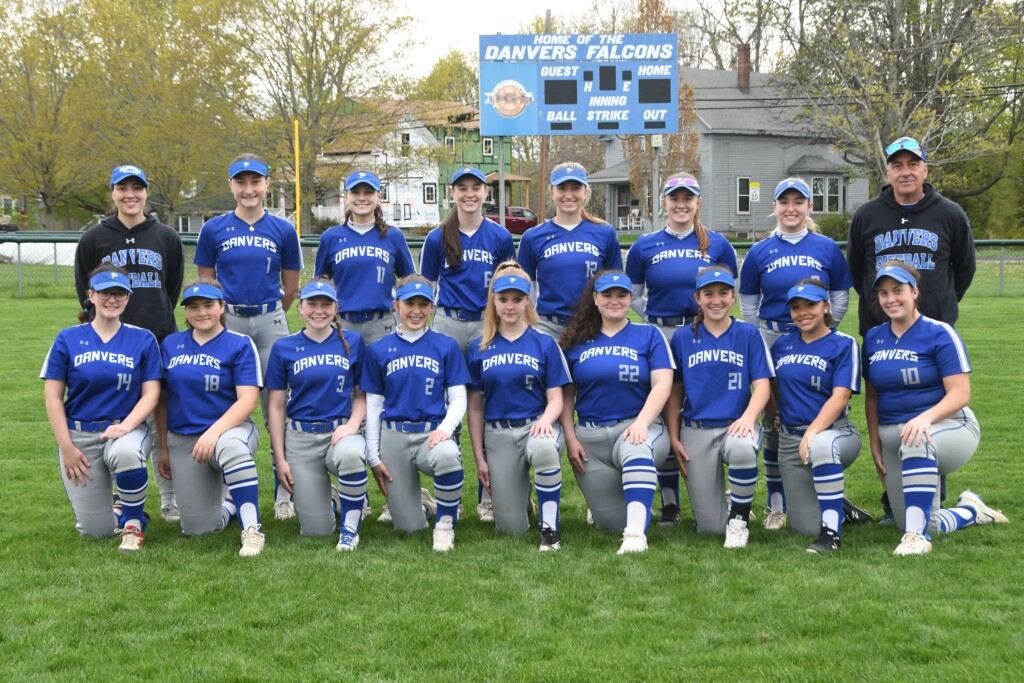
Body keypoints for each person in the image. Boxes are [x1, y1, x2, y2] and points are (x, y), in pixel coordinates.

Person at [848, 136, 977, 524]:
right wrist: (884, 305)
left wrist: (936, 307)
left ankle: (936, 498)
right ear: (887, 171)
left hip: (930, 330)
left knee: (929, 411)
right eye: (896, 164)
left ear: (924, 168)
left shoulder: (950, 213)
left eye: (912, 163)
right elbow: (858, 270)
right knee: (889, 405)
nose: (905, 171)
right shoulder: (868, 215)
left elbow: (965, 269)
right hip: (880, 331)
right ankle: (894, 504)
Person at [864, 261, 1007, 556]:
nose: (891, 299)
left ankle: (915, 538)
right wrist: (875, 445)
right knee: (922, 519)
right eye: (883, 293)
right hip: (893, 433)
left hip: (949, 425)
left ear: (915, 292)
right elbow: (873, 398)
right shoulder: (874, 339)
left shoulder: (939, 332)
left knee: (915, 440)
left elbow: (960, 393)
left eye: (898, 290)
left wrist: (925, 418)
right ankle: (970, 510)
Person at [738, 177, 857, 531]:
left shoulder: (826, 247)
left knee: (821, 413)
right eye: (784, 202)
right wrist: (769, 334)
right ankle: (777, 506)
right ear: (774, 207)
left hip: (816, 337)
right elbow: (748, 305)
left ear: (809, 206)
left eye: (798, 202)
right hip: (775, 337)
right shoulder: (760, 250)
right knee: (774, 422)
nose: (791, 208)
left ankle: (829, 494)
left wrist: (823, 330)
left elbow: (838, 296)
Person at [625, 173, 738, 527]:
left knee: (705, 402)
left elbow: (729, 290)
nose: (681, 204)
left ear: (698, 202)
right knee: (662, 411)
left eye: (688, 197)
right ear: (664, 201)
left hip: (701, 332)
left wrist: (702, 321)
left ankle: (727, 488)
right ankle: (670, 501)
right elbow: (634, 293)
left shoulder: (717, 244)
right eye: (674, 197)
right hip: (661, 332)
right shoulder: (645, 245)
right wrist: (656, 319)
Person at [194, 154, 302, 520]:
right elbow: (206, 285)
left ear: (267, 185)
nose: (249, 189)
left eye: (255, 182)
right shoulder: (214, 229)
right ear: (231, 186)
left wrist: (268, 314)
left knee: (280, 405)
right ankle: (226, 489)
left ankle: (284, 493)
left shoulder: (283, 229)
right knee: (228, 402)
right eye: (241, 182)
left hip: (270, 319)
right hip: (230, 321)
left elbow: (290, 287)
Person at [74, 164, 184, 522]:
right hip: (111, 341)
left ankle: (169, 498)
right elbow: (85, 291)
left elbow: (172, 288)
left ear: (146, 192)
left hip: (158, 337)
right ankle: (123, 495)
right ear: (113, 193)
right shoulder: (95, 237)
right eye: (123, 188)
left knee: (160, 417)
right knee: (119, 414)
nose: (130, 195)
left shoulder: (165, 236)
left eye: (137, 188)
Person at [42, 266, 162, 552]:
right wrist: (67, 447)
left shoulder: (142, 338)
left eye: (120, 293)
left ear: (128, 298)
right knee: (94, 531)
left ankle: (133, 524)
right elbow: (53, 397)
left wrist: (128, 425)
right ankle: (122, 508)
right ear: (91, 295)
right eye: (106, 292)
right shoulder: (67, 338)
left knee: (126, 451)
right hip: (81, 435)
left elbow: (151, 393)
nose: (113, 299)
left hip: (124, 427)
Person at [420, 167, 516, 522]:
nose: (470, 194)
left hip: (487, 322)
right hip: (448, 321)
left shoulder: (500, 236)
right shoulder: (437, 237)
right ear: (452, 192)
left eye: (476, 188)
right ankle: (452, 495)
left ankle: (488, 498)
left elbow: (510, 285)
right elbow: (426, 287)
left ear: (486, 193)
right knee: (451, 409)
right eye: (463, 188)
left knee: (488, 405)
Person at [559, 271, 674, 555]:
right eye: (607, 295)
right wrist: (571, 438)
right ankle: (626, 509)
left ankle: (635, 536)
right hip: (591, 435)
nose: (614, 301)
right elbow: (566, 395)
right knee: (609, 524)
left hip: (637, 426)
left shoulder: (648, 334)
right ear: (595, 299)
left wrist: (642, 423)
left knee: (636, 447)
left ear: (630, 298)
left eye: (621, 295)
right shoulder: (577, 340)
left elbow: (663, 384)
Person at [266, 280, 384, 550]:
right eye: (312, 304)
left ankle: (350, 528)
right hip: (300, 437)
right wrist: (280, 458)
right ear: (301, 307)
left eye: (326, 304)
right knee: (315, 531)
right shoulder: (284, 347)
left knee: (352, 453)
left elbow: (361, 395)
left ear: (336, 308)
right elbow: (275, 406)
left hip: (339, 431)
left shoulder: (351, 341)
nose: (319, 310)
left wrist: (353, 425)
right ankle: (332, 500)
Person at [359, 275, 470, 552]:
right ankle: (427, 505)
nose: (416, 311)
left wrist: (445, 430)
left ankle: (445, 523)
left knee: (446, 455)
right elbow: (373, 406)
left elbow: (458, 398)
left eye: (424, 303)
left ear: (432, 307)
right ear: (396, 305)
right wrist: (373, 456)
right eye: (410, 303)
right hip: (394, 436)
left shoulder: (446, 345)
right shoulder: (379, 349)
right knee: (408, 528)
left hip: (430, 433)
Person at [665, 266, 773, 549]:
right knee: (711, 529)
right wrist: (674, 437)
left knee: (742, 446)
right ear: (697, 298)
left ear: (734, 296)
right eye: (708, 294)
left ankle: (739, 520)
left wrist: (749, 418)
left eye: (723, 293)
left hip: (734, 424)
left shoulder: (748, 334)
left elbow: (762, 386)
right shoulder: (682, 337)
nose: (716, 300)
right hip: (696, 428)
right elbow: (674, 391)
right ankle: (731, 499)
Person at [466, 263, 571, 550]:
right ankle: (521, 500)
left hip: (535, 425)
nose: (510, 306)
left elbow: (557, 399)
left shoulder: (544, 343)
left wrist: (546, 420)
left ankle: (550, 529)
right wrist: (480, 459)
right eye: (503, 299)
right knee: (510, 528)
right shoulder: (479, 347)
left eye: (517, 299)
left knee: (544, 446)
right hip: (498, 434)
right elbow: (474, 409)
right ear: (493, 301)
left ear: (528, 301)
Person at [157, 279, 266, 557]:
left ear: (222, 307)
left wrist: (213, 433)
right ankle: (230, 503)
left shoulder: (239, 343)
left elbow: (248, 400)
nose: (201, 312)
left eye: (208, 305)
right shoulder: (170, 344)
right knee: (198, 528)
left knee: (231, 448)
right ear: (186, 311)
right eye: (193, 307)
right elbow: (162, 400)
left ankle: (252, 531)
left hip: (231, 429)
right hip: (184, 439)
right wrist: (163, 447)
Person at [769, 279, 862, 553]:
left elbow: (841, 395)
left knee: (821, 444)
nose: (802, 312)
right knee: (803, 526)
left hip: (835, 434)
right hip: (789, 441)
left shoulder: (843, 343)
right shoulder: (782, 345)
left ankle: (831, 534)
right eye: (796, 307)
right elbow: (771, 386)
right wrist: (774, 412)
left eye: (810, 305)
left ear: (826, 306)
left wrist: (813, 431)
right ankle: (843, 507)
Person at [517, 162, 622, 340]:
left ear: (585, 191)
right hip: (548, 326)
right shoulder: (533, 237)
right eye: (562, 188)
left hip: (592, 324)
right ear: (552, 191)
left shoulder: (604, 232)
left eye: (575, 187)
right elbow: (527, 288)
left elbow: (616, 284)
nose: (569, 194)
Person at [315, 170, 416, 346]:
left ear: (378, 197)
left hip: (383, 323)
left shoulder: (394, 236)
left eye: (368, 192)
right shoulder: (331, 237)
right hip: (343, 324)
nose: (362, 198)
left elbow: (409, 281)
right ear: (346, 197)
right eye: (355, 192)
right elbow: (320, 283)